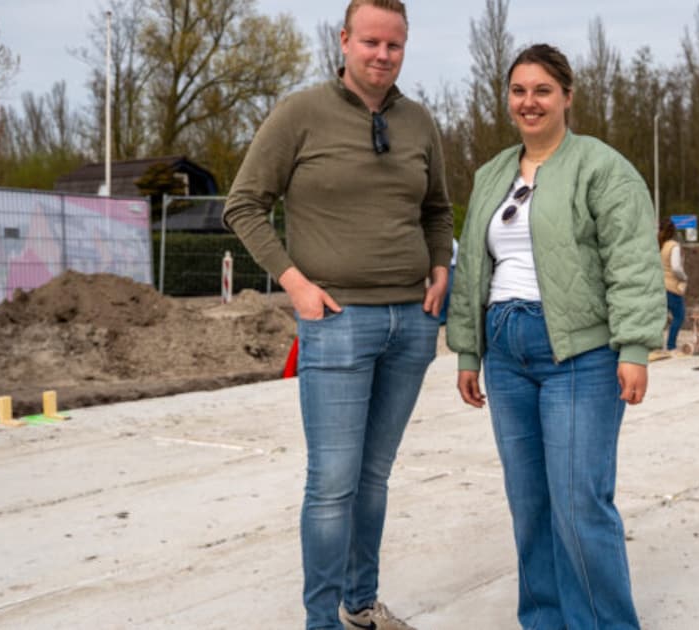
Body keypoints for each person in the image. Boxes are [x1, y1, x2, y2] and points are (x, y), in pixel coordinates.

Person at [223, 2, 452, 628]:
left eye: (395, 45)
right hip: (337, 321)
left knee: (374, 478)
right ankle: (320, 620)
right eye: (371, 42)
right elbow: (243, 205)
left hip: (411, 323)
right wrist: (294, 283)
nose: (383, 55)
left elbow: (437, 210)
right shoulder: (301, 113)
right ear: (345, 40)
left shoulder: (419, 122)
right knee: (332, 485)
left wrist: (440, 267)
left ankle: (360, 604)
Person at [446, 44, 663, 630]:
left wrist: (636, 347)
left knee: (578, 505)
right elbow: (472, 269)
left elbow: (633, 260)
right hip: (505, 353)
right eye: (519, 90)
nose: (529, 102)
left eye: (542, 90)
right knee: (530, 505)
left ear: (567, 96)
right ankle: (543, 621)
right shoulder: (492, 173)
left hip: (580, 354)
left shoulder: (601, 166)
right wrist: (468, 349)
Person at [659, 217, 688, 352]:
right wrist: (684, 277)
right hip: (672, 287)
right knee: (679, 316)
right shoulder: (673, 246)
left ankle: (656, 345)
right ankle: (671, 345)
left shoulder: (660, 245)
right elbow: (676, 267)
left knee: (660, 318)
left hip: (659, 285)